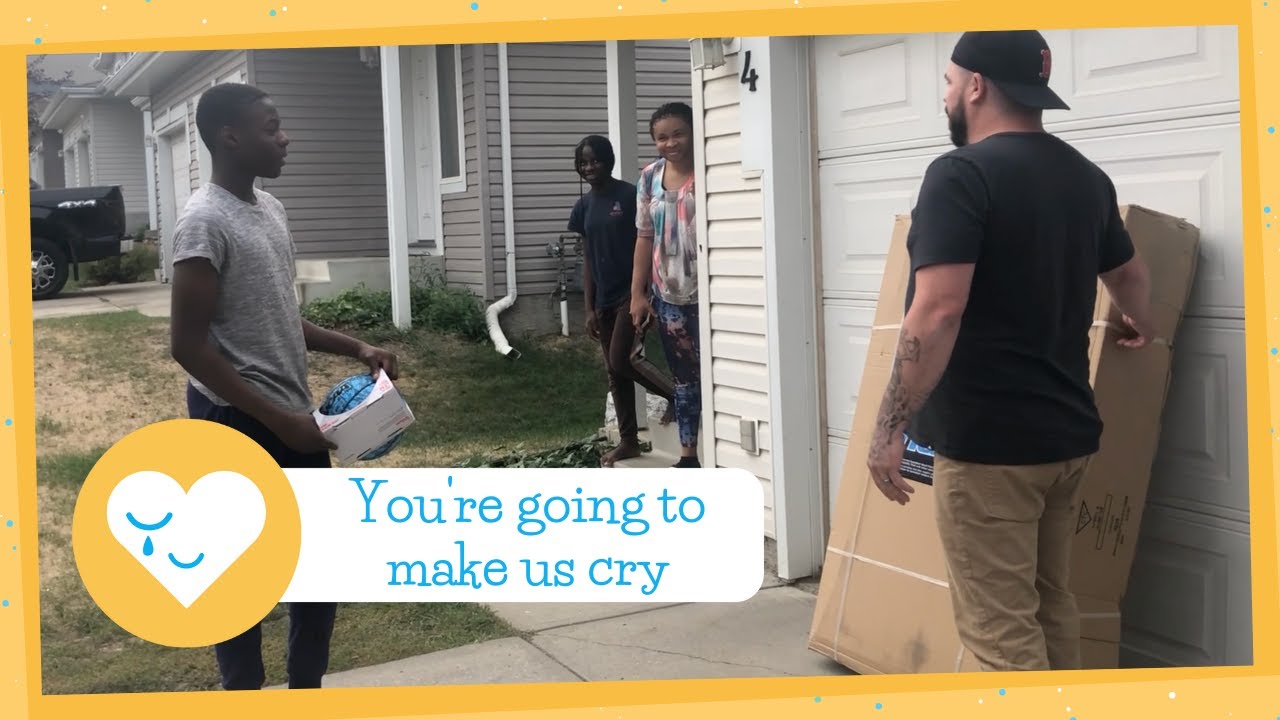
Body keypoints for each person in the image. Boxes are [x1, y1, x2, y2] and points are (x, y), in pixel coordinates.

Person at [863, 31, 1155, 673]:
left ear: (976, 85)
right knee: (1052, 607)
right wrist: (1141, 324)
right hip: (1065, 439)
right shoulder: (1085, 176)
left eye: (947, 81)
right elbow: (1129, 274)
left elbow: (937, 311)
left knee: (1001, 640)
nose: (944, 96)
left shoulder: (959, 176)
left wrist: (888, 430)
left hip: (991, 448)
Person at [169, 82, 400, 691]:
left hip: (292, 418)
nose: (285, 137)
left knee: (316, 567)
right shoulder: (202, 224)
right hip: (235, 422)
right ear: (230, 137)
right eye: (272, 127)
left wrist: (357, 347)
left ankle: (306, 690)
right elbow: (188, 345)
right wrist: (281, 419)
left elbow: (273, 312)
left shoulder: (269, 210)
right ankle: (242, 693)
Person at [568, 134, 675, 467]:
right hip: (602, 301)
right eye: (583, 163)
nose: (589, 167)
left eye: (595, 160)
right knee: (615, 373)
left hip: (631, 296)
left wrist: (642, 293)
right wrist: (587, 308)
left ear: (609, 160)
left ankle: (679, 396)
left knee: (622, 360)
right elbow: (587, 257)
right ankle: (629, 440)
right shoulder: (583, 207)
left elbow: (648, 242)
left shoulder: (629, 196)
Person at [630, 102, 702, 469]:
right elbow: (644, 236)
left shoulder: (707, 171)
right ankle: (688, 456)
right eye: (662, 137)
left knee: (711, 371)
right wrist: (637, 295)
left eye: (678, 133)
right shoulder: (649, 177)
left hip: (708, 293)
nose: (670, 143)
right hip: (667, 295)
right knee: (684, 377)